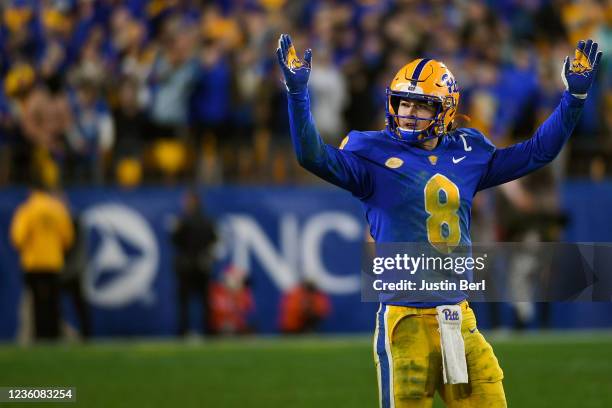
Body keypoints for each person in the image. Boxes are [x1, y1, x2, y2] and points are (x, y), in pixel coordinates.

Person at [276, 34, 602, 407]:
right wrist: (297, 95)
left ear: (444, 109)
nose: (408, 113)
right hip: (405, 322)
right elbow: (312, 156)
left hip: (458, 319)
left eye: (421, 106)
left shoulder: (469, 151)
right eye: (403, 104)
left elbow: (538, 152)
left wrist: (573, 100)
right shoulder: (372, 152)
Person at [10, 182, 74, 340]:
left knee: (36, 304)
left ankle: (39, 336)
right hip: (53, 262)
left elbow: (18, 238)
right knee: (53, 302)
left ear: (31, 191)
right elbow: (68, 238)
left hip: (33, 263)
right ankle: (53, 336)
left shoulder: (27, 210)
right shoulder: (58, 209)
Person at [171, 190, 217, 336]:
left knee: (185, 302)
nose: (185, 204)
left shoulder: (183, 221)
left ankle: (183, 331)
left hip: (187, 266)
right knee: (204, 301)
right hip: (203, 266)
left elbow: (175, 241)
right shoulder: (208, 221)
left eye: (187, 201)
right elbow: (215, 241)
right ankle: (207, 331)